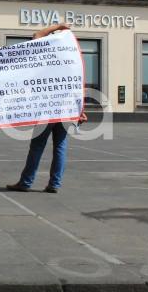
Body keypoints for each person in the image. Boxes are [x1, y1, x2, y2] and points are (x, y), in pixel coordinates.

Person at [6, 23, 87, 194]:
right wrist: (80, 111)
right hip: (67, 109)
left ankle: (26, 182)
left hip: (48, 108)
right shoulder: (72, 58)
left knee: (37, 145)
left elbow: (37, 34)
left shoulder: (45, 53)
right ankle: (55, 184)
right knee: (60, 146)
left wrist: (58, 26)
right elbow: (78, 85)